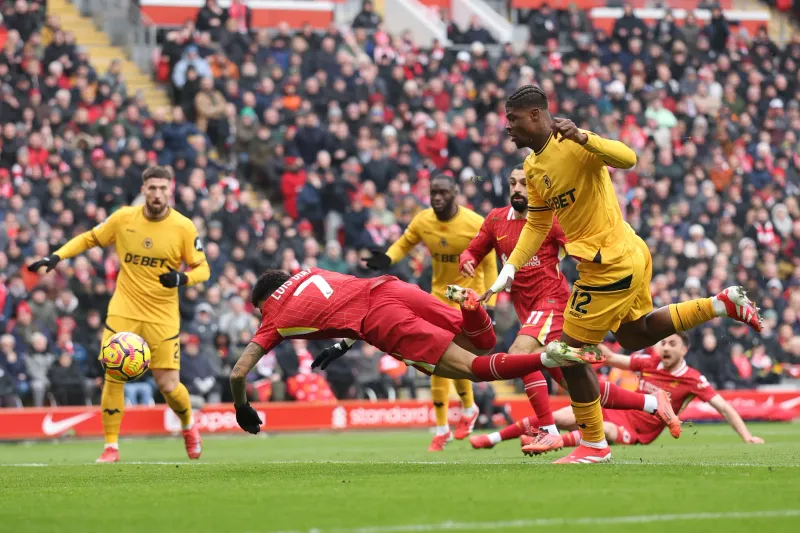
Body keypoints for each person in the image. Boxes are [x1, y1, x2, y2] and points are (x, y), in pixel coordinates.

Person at [480, 85, 762, 463]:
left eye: (512, 119)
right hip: (626, 253)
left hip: (609, 260)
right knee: (631, 334)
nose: (508, 128)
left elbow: (628, 158)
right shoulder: (532, 167)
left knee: (566, 353)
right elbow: (538, 224)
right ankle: (720, 303)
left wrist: (584, 136)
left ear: (535, 115)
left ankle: (594, 445)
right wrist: (510, 267)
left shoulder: (574, 143)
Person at [230, 267, 607, 435]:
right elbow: (343, 302)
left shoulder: (272, 316)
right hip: (393, 287)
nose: (263, 316)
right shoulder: (309, 272)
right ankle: (472, 308)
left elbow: (237, 373)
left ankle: (547, 357)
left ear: (264, 301)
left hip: (381, 319)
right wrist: (342, 344)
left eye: (260, 310)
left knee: (473, 367)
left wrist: (242, 407)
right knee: (481, 341)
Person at [460, 165, 678, 452]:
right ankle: (653, 402)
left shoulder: (549, 219)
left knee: (518, 355)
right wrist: (468, 260)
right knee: (579, 382)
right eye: (513, 183)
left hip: (553, 302)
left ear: (536, 188)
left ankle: (548, 430)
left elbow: (580, 251)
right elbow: (474, 249)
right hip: (527, 310)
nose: (517, 189)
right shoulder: (495, 219)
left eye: (524, 183)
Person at [27, 166, 210, 463]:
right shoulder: (124, 218)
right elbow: (89, 238)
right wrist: (57, 256)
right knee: (113, 375)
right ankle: (111, 446)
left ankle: (189, 426)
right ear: (144, 189)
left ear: (171, 190)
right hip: (124, 309)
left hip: (162, 315)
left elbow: (203, 269)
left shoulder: (184, 227)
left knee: (168, 386)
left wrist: (182, 279)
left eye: (163, 188)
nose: (157, 193)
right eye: (152, 188)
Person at [364, 173, 498, 451]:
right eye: (433, 192)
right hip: (437, 299)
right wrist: (388, 257)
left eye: (443, 193)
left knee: (450, 359)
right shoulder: (423, 220)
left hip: (466, 301)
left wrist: (491, 304)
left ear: (455, 194)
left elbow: (488, 262)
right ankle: (446, 424)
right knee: (434, 358)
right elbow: (405, 242)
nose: (437, 197)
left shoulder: (474, 223)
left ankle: (462, 413)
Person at [526, 334, 765, 452]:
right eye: (664, 343)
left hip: (637, 431)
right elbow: (610, 358)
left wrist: (747, 436)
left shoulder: (693, 379)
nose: (666, 347)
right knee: (558, 417)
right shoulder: (648, 362)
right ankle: (526, 436)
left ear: (685, 349)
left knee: (605, 430)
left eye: (672, 344)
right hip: (616, 412)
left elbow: (724, 407)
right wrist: (585, 338)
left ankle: (554, 442)